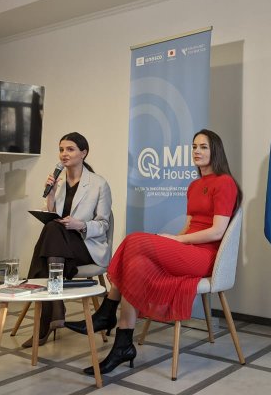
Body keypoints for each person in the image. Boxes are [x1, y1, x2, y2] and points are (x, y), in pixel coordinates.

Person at [65, 129, 242, 375]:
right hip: (188, 250)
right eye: (194, 147)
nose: (197, 151)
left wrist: (177, 240)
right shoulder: (194, 185)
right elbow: (190, 225)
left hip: (205, 257)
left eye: (203, 147)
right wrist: (174, 242)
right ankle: (123, 345)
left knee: (134, 239)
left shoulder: (224, 182)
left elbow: (217, 232)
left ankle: (107, 311)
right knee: (136, 265)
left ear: (216, 151)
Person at [23, 132, 112, 348]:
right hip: (60, 248)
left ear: (83, 153)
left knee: (51, 233)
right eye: (61, 149)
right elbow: (52, 216)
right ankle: (54, 308)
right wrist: (51, 194)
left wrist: (80, 225)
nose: (64, 154)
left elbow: (103, 224)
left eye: (70, 149)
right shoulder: (59, 182)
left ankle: (50, 314)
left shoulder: (99, 184)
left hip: (86, 245)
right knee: (53, 228)